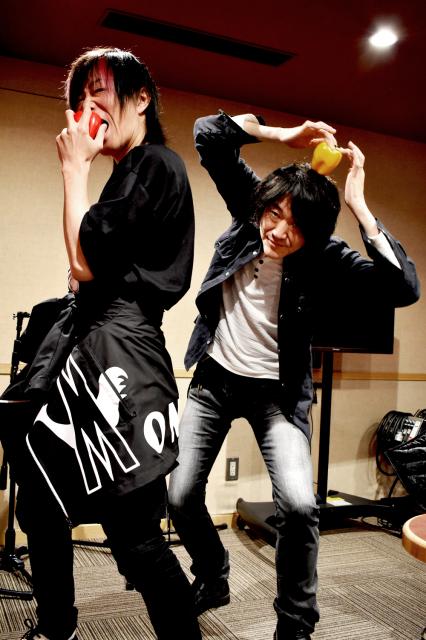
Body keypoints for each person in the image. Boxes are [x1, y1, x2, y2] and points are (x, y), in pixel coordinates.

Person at [167, 110, 420, 640]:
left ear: (316, 233)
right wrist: (280, 134)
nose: (280, 232)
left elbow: (403, 289)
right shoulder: (250, 211)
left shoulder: (325, 257)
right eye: (275, 215)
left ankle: (295, 624)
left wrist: (360, 205)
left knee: (302, 507)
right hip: (214, 381)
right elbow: (208, 134)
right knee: (181, 497)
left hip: (277, 398)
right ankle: (213, 573)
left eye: (298, 226)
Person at [9, 47, 201, 640]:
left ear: (142, 99)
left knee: (136, 537)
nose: (88, 108)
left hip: (122, 354)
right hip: (96, 346)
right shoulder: (130, 172)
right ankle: (57, 626)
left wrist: (73, 171)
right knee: (39, 501)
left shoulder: (156, 164)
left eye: (100, 92)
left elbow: (83, 263)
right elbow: (84, 264)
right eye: (80, 99)